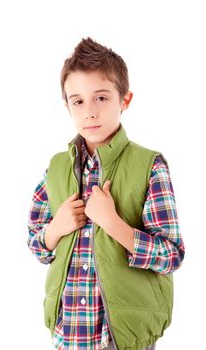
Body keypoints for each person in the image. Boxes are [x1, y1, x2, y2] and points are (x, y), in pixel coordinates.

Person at [27, 37, 185, 350]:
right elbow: (37, 243)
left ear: (124, 100)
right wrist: (54, 229)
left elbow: (171, 255)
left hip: (122, 336)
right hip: (68, 332)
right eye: (78, 101)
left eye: (101, 98)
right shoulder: (56, 168)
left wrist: (113, 225)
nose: (89, 112)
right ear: (67, 105)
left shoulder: (149, 166)